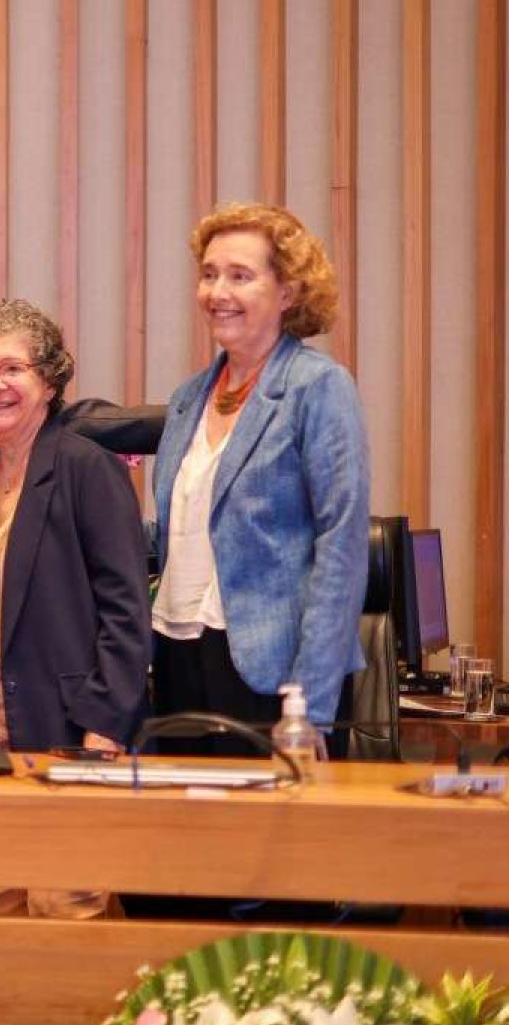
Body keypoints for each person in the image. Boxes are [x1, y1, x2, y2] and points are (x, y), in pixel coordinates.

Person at [0, 299, 150, 920]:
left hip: (66, 740)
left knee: (67, 916)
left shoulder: (87, 469)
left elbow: (127, 614)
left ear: (49, 382)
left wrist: (103, 729)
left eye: (13, 369)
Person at [150, 202, 369, 752]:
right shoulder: (187, 399)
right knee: (185, 832)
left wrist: (312, 708)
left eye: (240, 276)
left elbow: (340, 549)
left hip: (275, 678)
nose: (217, 291)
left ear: (288, 292)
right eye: (208, 274)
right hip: (179, 654)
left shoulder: (318, 387)